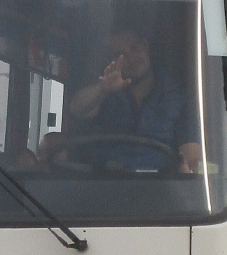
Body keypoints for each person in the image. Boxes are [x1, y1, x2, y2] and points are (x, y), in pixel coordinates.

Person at [57, 29, 203, 173]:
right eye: (119, 54)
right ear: (108, 61)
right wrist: (103, 89)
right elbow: (76, 109)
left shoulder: (177, 95)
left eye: (135, 48)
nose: (130, 58)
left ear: (146, 47)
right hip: (104, 185)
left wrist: (187, 172)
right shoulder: (103, 94)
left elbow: (191, 155)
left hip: (162, 188)